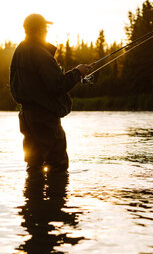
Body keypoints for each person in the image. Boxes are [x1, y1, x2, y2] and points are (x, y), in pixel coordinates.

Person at [9, 13, 91, 173]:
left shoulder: (20, 51)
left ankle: (32, 197)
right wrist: (77, 72)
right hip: (44, 117)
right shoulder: (40, 53)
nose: (46, 31)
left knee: (34, 165)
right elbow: (57, 85)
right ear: (39, 30)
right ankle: (57, 197)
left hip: (26, 116)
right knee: (57, 164)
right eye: (45, 28)